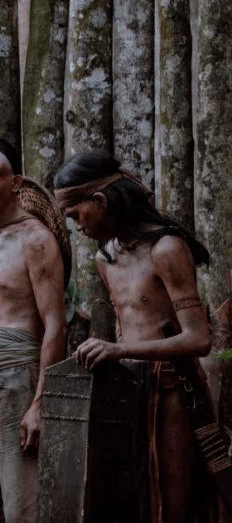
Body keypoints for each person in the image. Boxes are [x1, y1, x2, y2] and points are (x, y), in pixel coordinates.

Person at [55, 150, 214, 523]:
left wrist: (118, 349)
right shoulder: (105, 258)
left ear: (100, 201)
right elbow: (125, 325)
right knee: (127, 500)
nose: (76, 226)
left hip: (174, 391)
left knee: (169, 504)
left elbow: (199, 339)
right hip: (127, 391)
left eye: (76, 214)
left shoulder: (166, 249)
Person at [0, 139, 68, 523]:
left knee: (20, 506)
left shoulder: (35, 239)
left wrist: (39, 403)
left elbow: (55, 324)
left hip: (16, 380)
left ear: (15, 182)